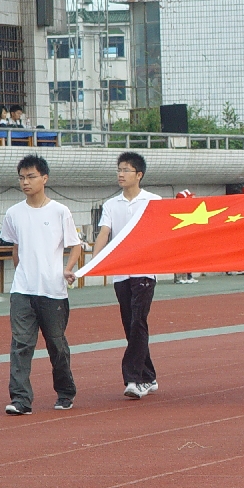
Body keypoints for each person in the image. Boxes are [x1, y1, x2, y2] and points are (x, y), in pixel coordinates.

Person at [1, 155, 81, 414]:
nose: (25, 182)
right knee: (21, 344)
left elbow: (75, 245)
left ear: (44, 178)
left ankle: (66, 391)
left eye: (31, 176)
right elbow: (16, 248)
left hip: (53, 291)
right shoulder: (13, 213)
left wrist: (67, 270)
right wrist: (23, 273)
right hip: (22, 291)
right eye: (22, 177)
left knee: (56, 344)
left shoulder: (60, 211)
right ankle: (21, 400)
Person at [90, 152, 163, 399]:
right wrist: (93, 261)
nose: (121, 174)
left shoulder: (154, 201)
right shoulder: (111, 204)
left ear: (139, 175)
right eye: (119, 169)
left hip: (144, 270)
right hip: (121, 273)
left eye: (126, 170)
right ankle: (149, 377)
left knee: (138, 322)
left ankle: (134, 379)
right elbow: (104, 233)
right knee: (129, 323)